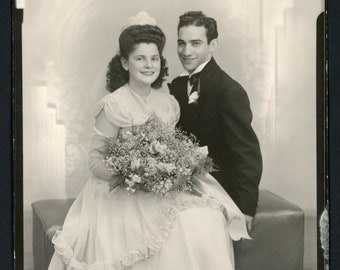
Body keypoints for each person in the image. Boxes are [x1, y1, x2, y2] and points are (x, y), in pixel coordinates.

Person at [48, 11, 249, 270]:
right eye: (140, 58)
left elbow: (171, 148)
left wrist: (165, 172)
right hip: (120, 191)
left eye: (154, 58)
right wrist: (132, 174)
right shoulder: (113, 105)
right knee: (160, 232)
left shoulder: (169, 103)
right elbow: (95, 160)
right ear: (124, 63)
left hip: (161, 188)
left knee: (205, 218)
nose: (148, 65)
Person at [169, 11, 263, 231]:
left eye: (195, 43)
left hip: (218, 188)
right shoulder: (178, 85)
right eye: (181, 43)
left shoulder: (228, 90)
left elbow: (247, 153)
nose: (186, 51)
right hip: (185, 183)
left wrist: (247, 208)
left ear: (212, 45)